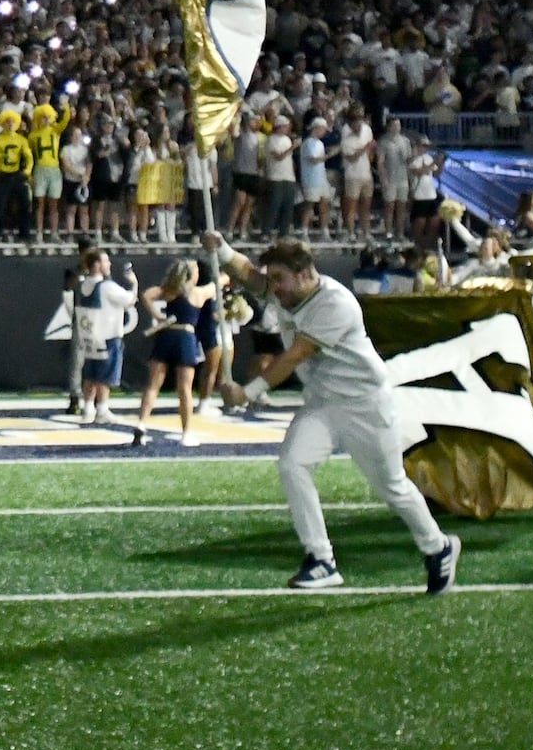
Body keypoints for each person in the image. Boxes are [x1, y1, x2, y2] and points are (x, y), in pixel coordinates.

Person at [243, 239, 460, 595]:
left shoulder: (335, 303)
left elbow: (297, 354)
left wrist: (248, 391)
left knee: (393, 488)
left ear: (306, 274)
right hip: (323, 403)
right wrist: (220, 250)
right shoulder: (289, 292)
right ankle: (321, 559)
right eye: (273, 279)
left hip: (365, 405)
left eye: (280, 278)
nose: (275, 287)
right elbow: (248, 275)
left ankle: (438, 547)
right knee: (292, 465)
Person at [134, 259, 211, 439]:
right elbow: (216, 285)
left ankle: (141, 423)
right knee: (184, 388)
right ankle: (186, 432)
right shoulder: (197, 293)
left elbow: (146, 295)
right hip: (185, 338)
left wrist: (158, 317)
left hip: (166, 336)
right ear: (191, 275)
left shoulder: (169, 290)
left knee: (153, 385)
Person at [68, 245, 136, 430]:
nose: (109, 264)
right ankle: (102, 409)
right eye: (105, 261)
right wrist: (133, 283)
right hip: (108, 335)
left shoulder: (82, 284)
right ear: (97, 265)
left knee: (90, 373)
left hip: (90, 336)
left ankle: (88, 407)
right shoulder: (106, 286)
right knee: (105, 375)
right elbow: (129, 299)